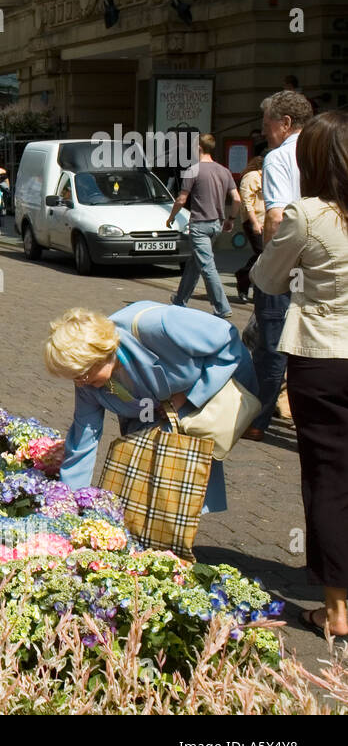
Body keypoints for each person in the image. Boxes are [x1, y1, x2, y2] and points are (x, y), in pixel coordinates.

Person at [251, 111, 348, 639]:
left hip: (326, 357)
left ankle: (336, 609)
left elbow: (267, 277)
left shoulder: (309, 214)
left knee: (330, 479)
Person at [43, 303, 259, 519]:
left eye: (82, 374)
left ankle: (173, 532)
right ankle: (159, 534)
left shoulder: (160, 326)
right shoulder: (88, 382)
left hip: (208, 389)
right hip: (154, 410)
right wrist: (68, 505)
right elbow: (84, 439)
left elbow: (228, 341)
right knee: (142, 478)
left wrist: (188, 397)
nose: (80, 384)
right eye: (74, 377)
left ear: (100, 354)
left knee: (177, 476)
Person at [247, 90, 313, 441]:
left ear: (285, 123)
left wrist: (268, 265)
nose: (263, 131)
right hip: (323, 261)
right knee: (311, 343)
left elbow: (275, 216)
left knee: (272, 342)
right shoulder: (324, 150)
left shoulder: (279, 157)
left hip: (290, 262)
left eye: (267, 124)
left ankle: (257, 421)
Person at [167, 133, 240, 319]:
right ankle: (179, 300)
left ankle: (222, 307)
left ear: (199, 148)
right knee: (194, 263)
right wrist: (231, 218)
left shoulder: (193, 170)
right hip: (216, 224)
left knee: (207, 266)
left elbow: (182, 199)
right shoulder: (224, 171)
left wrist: (171, 217)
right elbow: (237, 199)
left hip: (199, 224)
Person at [234, 156, 265, 303]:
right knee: (262, 253)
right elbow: (246, 201)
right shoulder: (252, 176)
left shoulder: (270, 176)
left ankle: (257, 288)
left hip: (267, 221)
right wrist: (254, 222)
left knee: (265, 255)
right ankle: (243, 278)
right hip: (255, 221)